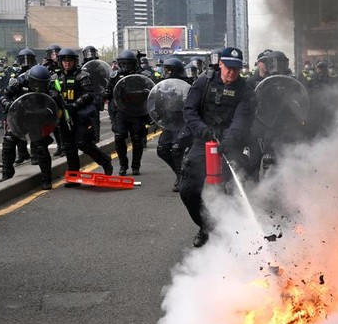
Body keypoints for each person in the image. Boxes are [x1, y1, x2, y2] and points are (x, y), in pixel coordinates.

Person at [180, 47, 256, 247]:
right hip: (203, 141)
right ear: (220, 64)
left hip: (230, 144)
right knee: (188, 190)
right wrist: (203, 131)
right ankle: (206, 226)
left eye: (236, 69)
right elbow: (189, 110)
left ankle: (234, 235)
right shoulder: (203, 82)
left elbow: (241, 121)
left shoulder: (246, 91)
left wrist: (228, 141)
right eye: (228, 67)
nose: (231, 73)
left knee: (235, 190)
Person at [0, 65, 63, 190]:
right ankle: (7, 173)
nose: (39, 86)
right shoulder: (18, 82)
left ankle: (46, 178)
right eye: (36, 83)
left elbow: (58, 106)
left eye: (42, 84)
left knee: (41, 146)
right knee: (8, 141)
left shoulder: (50, 86)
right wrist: (7, 104)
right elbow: (4, 96)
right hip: (19, 116)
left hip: (37, 118)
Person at [56, 48, 113, 186]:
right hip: (64, 117)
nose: (67, 64)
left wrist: (74, 105)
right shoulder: (56, 78)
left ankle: (105, 160)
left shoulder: (82, 76)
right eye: (64, 61)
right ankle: (74, 177)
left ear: (75, 61)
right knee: (69, 147)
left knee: (83, 143)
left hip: (81, 116)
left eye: (69, 61)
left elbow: (88, 94)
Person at [105, 50, 153, 175]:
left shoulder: (142, 75)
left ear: (134, 63)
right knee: (119, 137)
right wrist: (106, 93)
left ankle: (136, 166)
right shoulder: (115, 76)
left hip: (137, 111)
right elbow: (108, 92)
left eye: (129, 63)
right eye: (123, 63)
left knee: (137, 139)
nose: (126, 66)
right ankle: (123, 165)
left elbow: (151, 91)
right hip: (121, 111)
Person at [155, 57, 193, 192]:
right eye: (165, 69)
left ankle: (181, 177)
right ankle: (179, 173)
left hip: (184, 122)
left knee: (177, 149)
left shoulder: (188, 84)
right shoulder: (163, 85)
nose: (165, 72)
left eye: (168, 70)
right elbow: (157, 102)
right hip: (169, 121)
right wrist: (156, 119)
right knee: (162, 149)